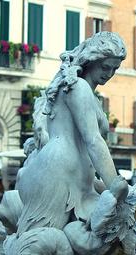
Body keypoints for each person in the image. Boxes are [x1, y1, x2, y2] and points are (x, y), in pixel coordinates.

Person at [14, 31, 127, 233]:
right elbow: (93, 141)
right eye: (105, 67)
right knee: (47, 240)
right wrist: (115, 187)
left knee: (91, 237)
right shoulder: (78, 87)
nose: (109, 74)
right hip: (61, 171)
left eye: (114, 69)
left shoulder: (79, 90)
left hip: (74, 173)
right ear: (91, 60)